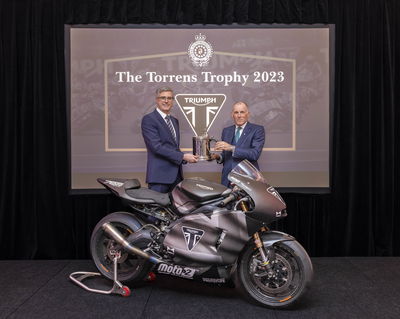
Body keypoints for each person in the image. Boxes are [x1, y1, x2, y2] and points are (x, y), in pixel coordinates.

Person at [141, 87, 198, 193]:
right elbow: (156, 147)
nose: (166, 101)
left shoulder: (174, 121)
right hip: (159, 177)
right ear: (157, 100)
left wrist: (186, 158)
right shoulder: (149, 119)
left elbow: (173, 148)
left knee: (176, 209)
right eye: (163, 98)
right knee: (157, 209)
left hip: (176, 177)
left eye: (169, 98)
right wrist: (183, 156)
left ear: (173, 101)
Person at [213, 101, 265, 187]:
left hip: (248, 178)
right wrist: (217, 157)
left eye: (242, 112)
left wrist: (231, 148)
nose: (239, 115)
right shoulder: (226, 131)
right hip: (227, 179)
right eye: (236, 112)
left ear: (248, 114)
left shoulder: (257, 130)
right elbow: (226, 155)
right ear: (232, 115)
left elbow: (254, 154)